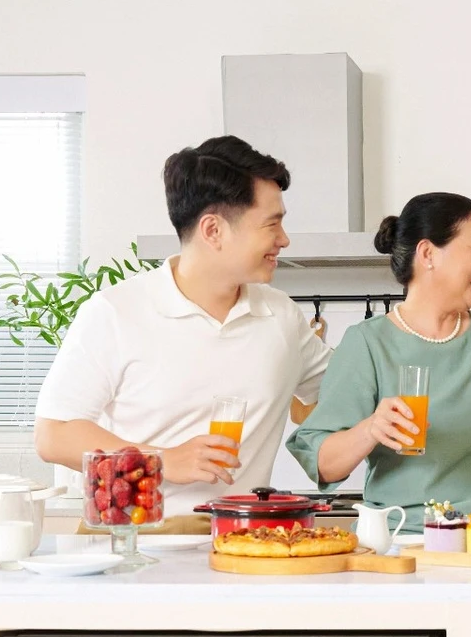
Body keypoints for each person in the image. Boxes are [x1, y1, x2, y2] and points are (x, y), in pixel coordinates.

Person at [34, 135, 330, 525]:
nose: (284, 239)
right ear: (213, 230)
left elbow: (347, 389)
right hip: (137, 543)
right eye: (271, 224)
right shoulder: (115, 313)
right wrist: (161, 460)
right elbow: (54, 435)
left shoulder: (282, 316)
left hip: (242, 541)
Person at [286, 192, 471, 529]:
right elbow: (323, 464)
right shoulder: (368, 343)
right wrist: (371, 428)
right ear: (428, 254)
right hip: (399, 538)